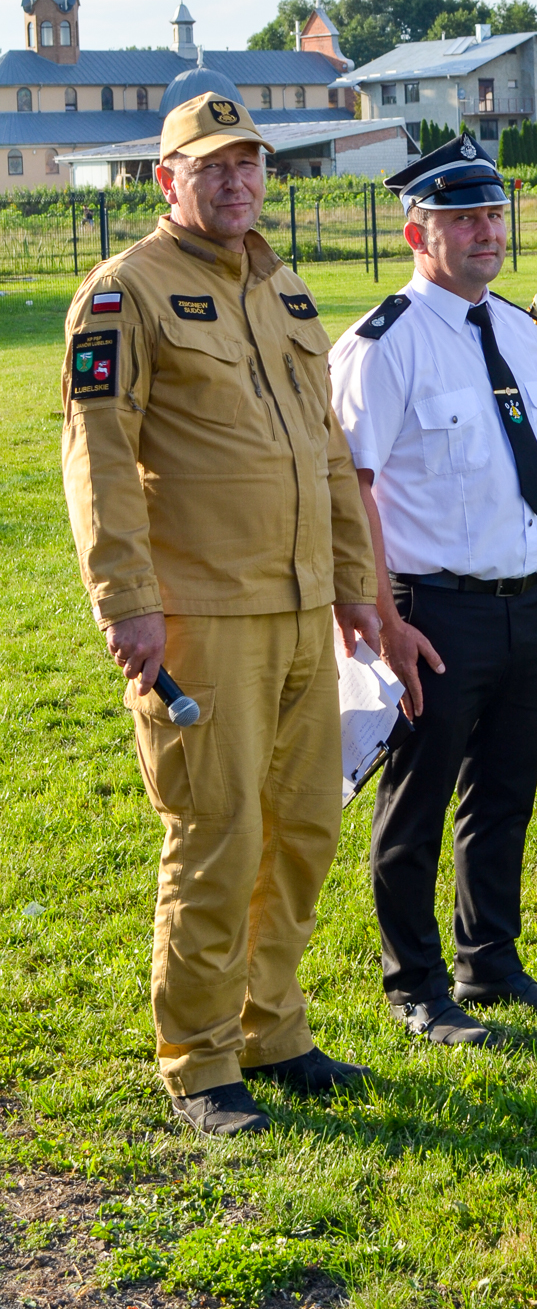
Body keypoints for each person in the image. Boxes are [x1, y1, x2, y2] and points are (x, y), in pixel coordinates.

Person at [60, 93, 380, 1139]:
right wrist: (127, 602)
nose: (238, 181)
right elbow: (100, 458)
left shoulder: (282, 287)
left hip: (299, 608)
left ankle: (271, 1028)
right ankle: (199, 1059)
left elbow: (327, 450)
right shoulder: (126, 294)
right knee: (218, 835)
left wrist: (354, 583)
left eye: (250, 164)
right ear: (168, 180)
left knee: (303, 831)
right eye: (212, 166)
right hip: (200, 617)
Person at [329, 132, 537, 1047]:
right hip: (432, 609)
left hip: (525, 600)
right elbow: (351, 489)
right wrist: (382, 617)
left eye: (493, 215)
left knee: (505, 792)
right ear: (416, 233)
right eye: (462, 218)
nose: (485, 232)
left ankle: (491, 960)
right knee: (419, 800)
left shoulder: (516, 325)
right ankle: (416, 986)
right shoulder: (382, 344)